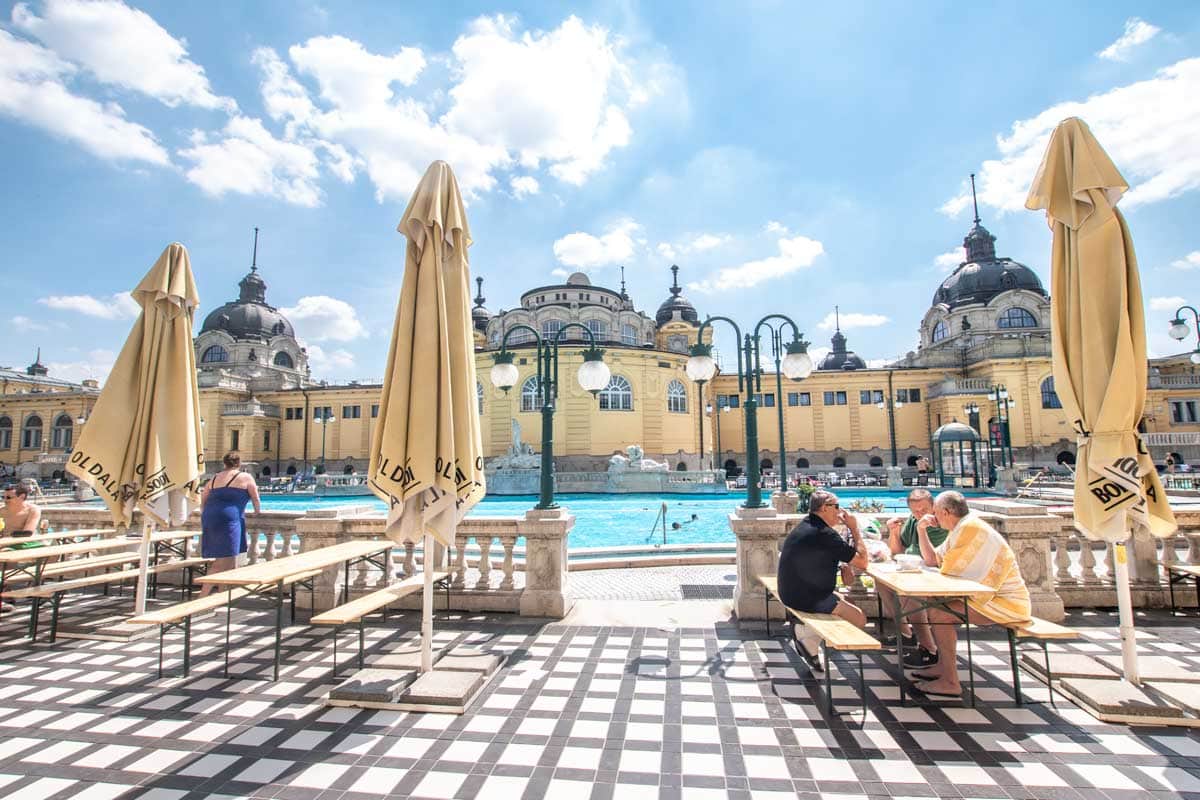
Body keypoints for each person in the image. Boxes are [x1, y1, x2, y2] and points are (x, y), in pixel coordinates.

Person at [912, 490, 1030, 698]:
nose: (934, 518)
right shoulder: (960, 529)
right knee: (934, 605)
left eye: (936, 513)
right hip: (989, 599)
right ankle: (943, 666)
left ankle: (950, 681)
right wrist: (921, 530)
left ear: (946, 512)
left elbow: (948, 570)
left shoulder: (970, 529)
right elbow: (933, 560)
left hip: (1006, 603)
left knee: (941, 615)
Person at [776, 490, 868, 671]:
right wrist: (854, 529)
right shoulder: (825, 534)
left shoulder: (807, 525)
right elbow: (863, 562)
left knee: (847, 600)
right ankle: (807, 633)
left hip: (790, 592)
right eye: (837, 507)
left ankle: (809, 637)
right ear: (825, 508)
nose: (840, 512)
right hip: (806, 597)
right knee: (860, 620)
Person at [879, 488, 949, 668]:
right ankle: (906, 634)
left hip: (936, 571)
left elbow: (930, 558)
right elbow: (897, 551)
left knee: (907, 592)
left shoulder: (938, 523)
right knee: (882, 583)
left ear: (933, 506)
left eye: (923, 510)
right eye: (914, 511)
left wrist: (921, 528)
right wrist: (893, 532)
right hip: (915, 568)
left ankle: (929, 648)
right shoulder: (913, 520)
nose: (919, 514)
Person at [198, 451, 261, 597]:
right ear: (238, 463)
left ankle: (223, 594)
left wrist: (206, 512)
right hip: (229, 519)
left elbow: (204, 498)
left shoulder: (215, 478)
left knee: (231, 558)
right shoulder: (245, 476)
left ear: (224, 463)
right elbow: (255, 498)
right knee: (223, 560)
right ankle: (202, 596)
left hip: (210, 517)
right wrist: (257, 511)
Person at [2, 483, 43, 547]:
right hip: (3, 543)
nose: (5, 500)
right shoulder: (1, 511)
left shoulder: (32, 510)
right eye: (3, 497)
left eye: (8, 497)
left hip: (24, 543)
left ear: (22, 497)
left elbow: (27, 533)